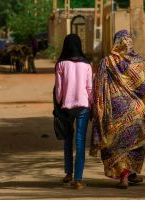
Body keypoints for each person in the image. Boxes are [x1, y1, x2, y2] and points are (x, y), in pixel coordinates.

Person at [90, 30, 145, 189]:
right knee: (133, 142)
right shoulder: (140, 63)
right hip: (136, 112)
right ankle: (129, 174)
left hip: (114, 113)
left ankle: (125, 176)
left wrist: (97, 109)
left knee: (116, 145)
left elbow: (98, 86)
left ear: (116, 43)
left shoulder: (107, 62)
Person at [55, 34, 93, 189]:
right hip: (83, 106)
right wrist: (91, 104)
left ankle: (68, 173)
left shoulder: (61, 64)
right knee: (80, 142)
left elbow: (59, 90)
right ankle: (78, 179)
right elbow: (90, 88)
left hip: (66, 107)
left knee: (67, 139)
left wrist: (59, 103)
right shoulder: (87, 65)